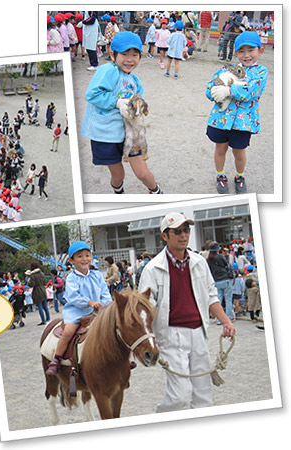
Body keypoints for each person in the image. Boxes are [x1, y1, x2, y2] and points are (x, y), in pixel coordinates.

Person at [138, 212, 235, 412]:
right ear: (165, 236)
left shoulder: (199, 262)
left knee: (203, 396)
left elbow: (211, 295)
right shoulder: (152, 269)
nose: (183, 235)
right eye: (177, 232)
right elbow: (146, 307)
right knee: (180, 395)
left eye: (186, 230)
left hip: (199, 332)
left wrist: (226, 321)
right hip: (171, 335)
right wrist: (148, 339)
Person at [80, 31, 163, 195]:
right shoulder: (107, 71)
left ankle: (157, 193)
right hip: (106, 134)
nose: (130, 59)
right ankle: (118, 191)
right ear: (113, 54)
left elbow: (137, 102)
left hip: (129, 133)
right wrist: (117, 103)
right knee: (119, 175)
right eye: (124, 54)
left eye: (134, 54)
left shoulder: (135, 81)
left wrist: (138, 108)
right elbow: (92, 94)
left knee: (143, 173)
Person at [207, 31, 268, 194]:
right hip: (221, 119)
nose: (246, 55)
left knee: (239, 152)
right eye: (241, 51)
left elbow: (252, 91)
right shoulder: (227, 69)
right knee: (220, 148)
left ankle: (239, 176)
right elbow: (209, 88)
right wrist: (214, 90)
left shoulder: (261, 72)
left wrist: (229, 90)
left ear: (260, 51)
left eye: (251, 50)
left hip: (243, 123)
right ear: (236, 53)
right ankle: (220, 175)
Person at [45, 241, 111, 375]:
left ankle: (119, 357)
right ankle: (57, 359)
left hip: (97, 311)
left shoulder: (97, 275)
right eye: (79, 256)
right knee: (68, 331)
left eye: (87, 255)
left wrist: (106, 304)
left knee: (113, 327)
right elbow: (73, 297)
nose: (84, 259)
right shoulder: (71, 278)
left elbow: (105, 293)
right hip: (76, 311)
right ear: (71, 260)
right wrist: (89, 302)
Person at [206, 241, 234, 322]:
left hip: (216, 281)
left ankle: (218, 319)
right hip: (225, 279)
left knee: (218, 300)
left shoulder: (208, 259)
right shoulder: (220, 256)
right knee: (228, 299)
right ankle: (229, 318)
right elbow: (226, 264)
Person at [26, 262, 49, 326]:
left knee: (40, 306)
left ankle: (43, 320)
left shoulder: (32, 275)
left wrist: (28, 282)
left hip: (37, 291)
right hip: (43, 290)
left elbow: (32, 284)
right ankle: (48, 318)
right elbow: (45, 282)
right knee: (45, 306)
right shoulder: (41, 273)